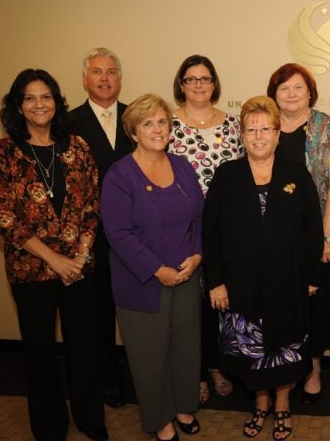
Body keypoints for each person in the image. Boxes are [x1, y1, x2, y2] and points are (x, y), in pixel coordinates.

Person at [0, 69, 107, 441]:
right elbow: (4, 217)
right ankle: (49, 426)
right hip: (31, 272)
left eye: (47, 96)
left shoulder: (78, 147)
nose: (40, 104)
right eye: (30, 98)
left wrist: (81, 255)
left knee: (85, 349)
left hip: (80, 270)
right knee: (39, 353)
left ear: (57, 101)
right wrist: (55, 260)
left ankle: (89, 419)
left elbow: (91, 206)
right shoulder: (1, 153)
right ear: (18, 106)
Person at [202, 96, 323, 440]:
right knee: (251, 353)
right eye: (251, 129)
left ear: (277, 133)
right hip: (240, 286)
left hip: (289, 282)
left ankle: (282, 404)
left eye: (265, 129)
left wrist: (313, 277)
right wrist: (216, 282)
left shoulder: (295, 173)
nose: (258, 136)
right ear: (241, 134)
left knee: (284, 347)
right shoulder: (227, 175)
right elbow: (209, 231)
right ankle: (260, 404)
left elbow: (313, 229)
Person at [101, 94, 204, 441]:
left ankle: (183, 406)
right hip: (142, 283)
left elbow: (200, 217)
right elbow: (117, 233)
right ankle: (160, 419)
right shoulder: (120, 175)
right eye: (148, 123)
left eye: (162, 122)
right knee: (150, 357)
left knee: (185, 348)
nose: (157, 129)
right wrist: (157, 269)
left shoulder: (183, 167)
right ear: (133, 130)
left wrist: (198, 254)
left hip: (187, 277)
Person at [266, 63, 330, 405]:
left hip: (314, 234)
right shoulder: (265, 126)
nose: (291, 94)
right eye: (283, 88)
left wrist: (327, 237)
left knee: (314, 306)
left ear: (310, 92)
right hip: (272, 235)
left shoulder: (323, 127)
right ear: (274, 93)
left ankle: (313, 370)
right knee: (278, 303)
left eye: (298, 88)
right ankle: (281, 370)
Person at [169, 54, 243, 404]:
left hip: (225, 228)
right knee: (189, 305)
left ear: (215, 84)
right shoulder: (167, 124)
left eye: (205, 78)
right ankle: (195, 372)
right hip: (181, 227)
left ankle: (217, 366)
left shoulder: (233, 124)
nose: (198, 85)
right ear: (181, 85)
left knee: (221, 301)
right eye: (191, 79)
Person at [68, 47, 132, 409]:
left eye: (111, 71)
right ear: (85, 79)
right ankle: (109, 380)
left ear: (120, 79)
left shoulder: (135, 118)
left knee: (140, 311)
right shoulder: (68, 123)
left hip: (137, 234)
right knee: (99, 315)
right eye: (97, 71)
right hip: (90, 240)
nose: (105, 78)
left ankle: (145, 375)